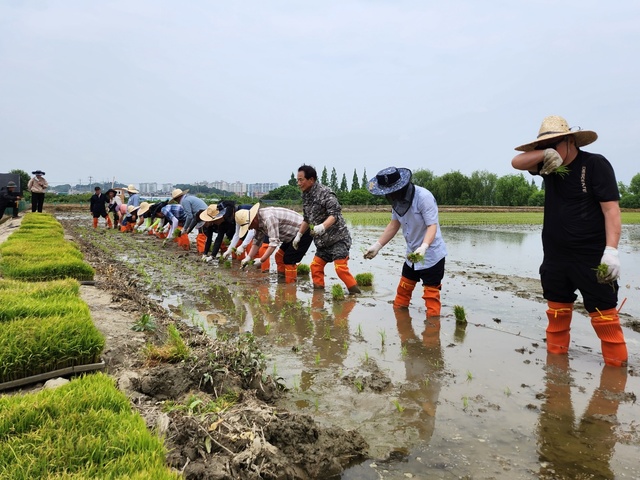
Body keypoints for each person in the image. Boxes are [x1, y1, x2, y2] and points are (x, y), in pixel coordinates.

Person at [511, 115, 627, 367]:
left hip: (591, 257)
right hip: (555, 257)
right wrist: (546, 154)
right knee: (556, 316)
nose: (547, 149)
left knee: (605, 320)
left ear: (571, 140)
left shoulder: (595, 165)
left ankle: (616, 379)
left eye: (554, 143)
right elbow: (516, 161)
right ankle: (556, 377)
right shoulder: (549, 165)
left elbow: (611, 211)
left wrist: (611, 251)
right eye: (543, 145)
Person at [364, 167, 448, 317]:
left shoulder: (423, 197)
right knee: (403, 291)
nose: (390, 196)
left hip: (431, 255)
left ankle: (432, 334)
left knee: (431, 297)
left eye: (391, 192)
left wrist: (424, 247)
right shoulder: (397, 202)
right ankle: (402, 325)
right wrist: (378, 245)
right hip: (412, 256)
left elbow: (432, 226)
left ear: (402, 187)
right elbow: (394, 224)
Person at [295, 164, 360, 294]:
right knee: (315, 267)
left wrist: (322, 227)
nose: (298, 183)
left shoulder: (326, 193)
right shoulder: (305, 196)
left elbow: (334, 214)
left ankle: (356, 295)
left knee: (341, 268)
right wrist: (299, 235)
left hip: (338, 239)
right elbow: (307, 218)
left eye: (301, 179)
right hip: (323, 242)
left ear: (311, 180)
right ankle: (319, 296)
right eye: (298, 180)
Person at [236, 203, 313, 283]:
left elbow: (273, 243)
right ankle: (282, 281)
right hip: (290, 235)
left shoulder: (269, 218)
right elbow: (257, 241)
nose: (249, 229)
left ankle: (290, 287)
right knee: (279, 256)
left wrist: (262, 260)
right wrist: (248, 257)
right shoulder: (258, 222)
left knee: (289, 259)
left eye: (249, 226)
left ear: (253, 220)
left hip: (303, 232)